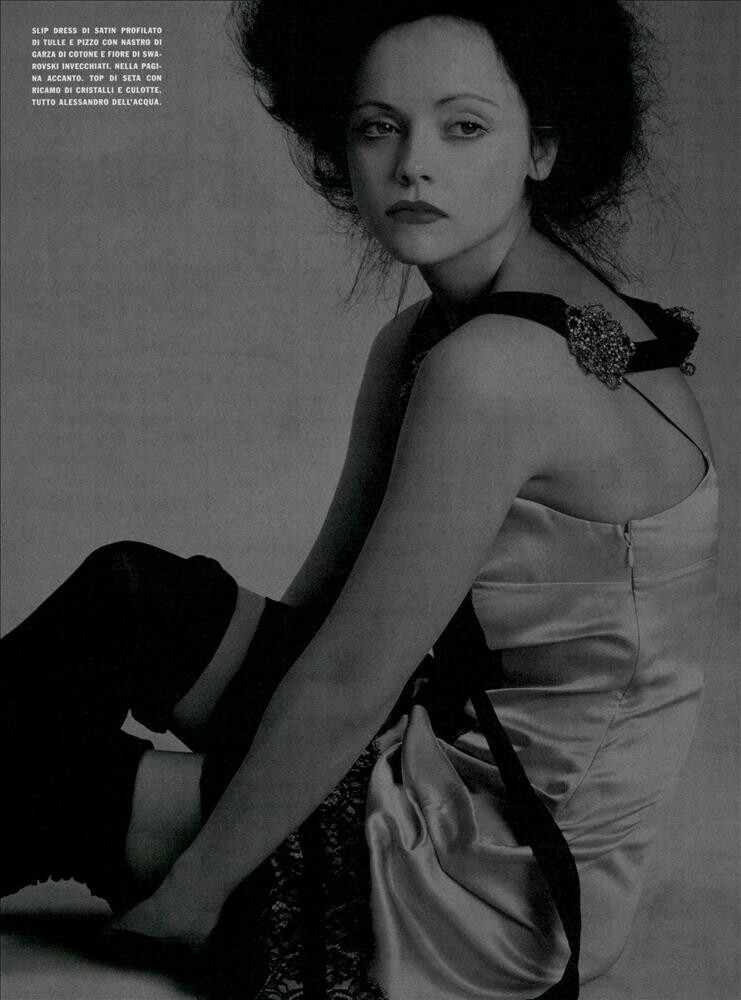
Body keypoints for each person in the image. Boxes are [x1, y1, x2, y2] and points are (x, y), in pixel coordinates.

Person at [2, 2, 719, 998]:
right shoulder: (441, 335)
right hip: (443, 745)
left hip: (501, 876)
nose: (413, 165)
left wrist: (193, 895)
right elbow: (325, 618)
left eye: (463, 126)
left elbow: (347, 680)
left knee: (47, 781)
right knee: (130, 596)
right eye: (380, 126)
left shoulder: (492, 370)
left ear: (543, 147)